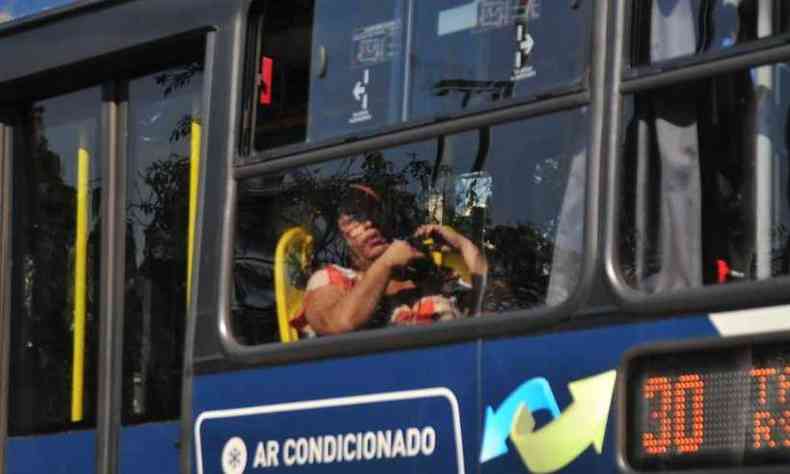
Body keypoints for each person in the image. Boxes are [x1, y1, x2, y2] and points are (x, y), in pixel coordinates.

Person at [297, 184, 487, 336]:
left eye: (376, 214)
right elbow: (337, 323)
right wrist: (386, 263)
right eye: (355, 215)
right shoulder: (333, 278)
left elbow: (489, 310)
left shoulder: (426, 280)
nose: (369, 223)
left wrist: (462, 244)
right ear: (341, 233)